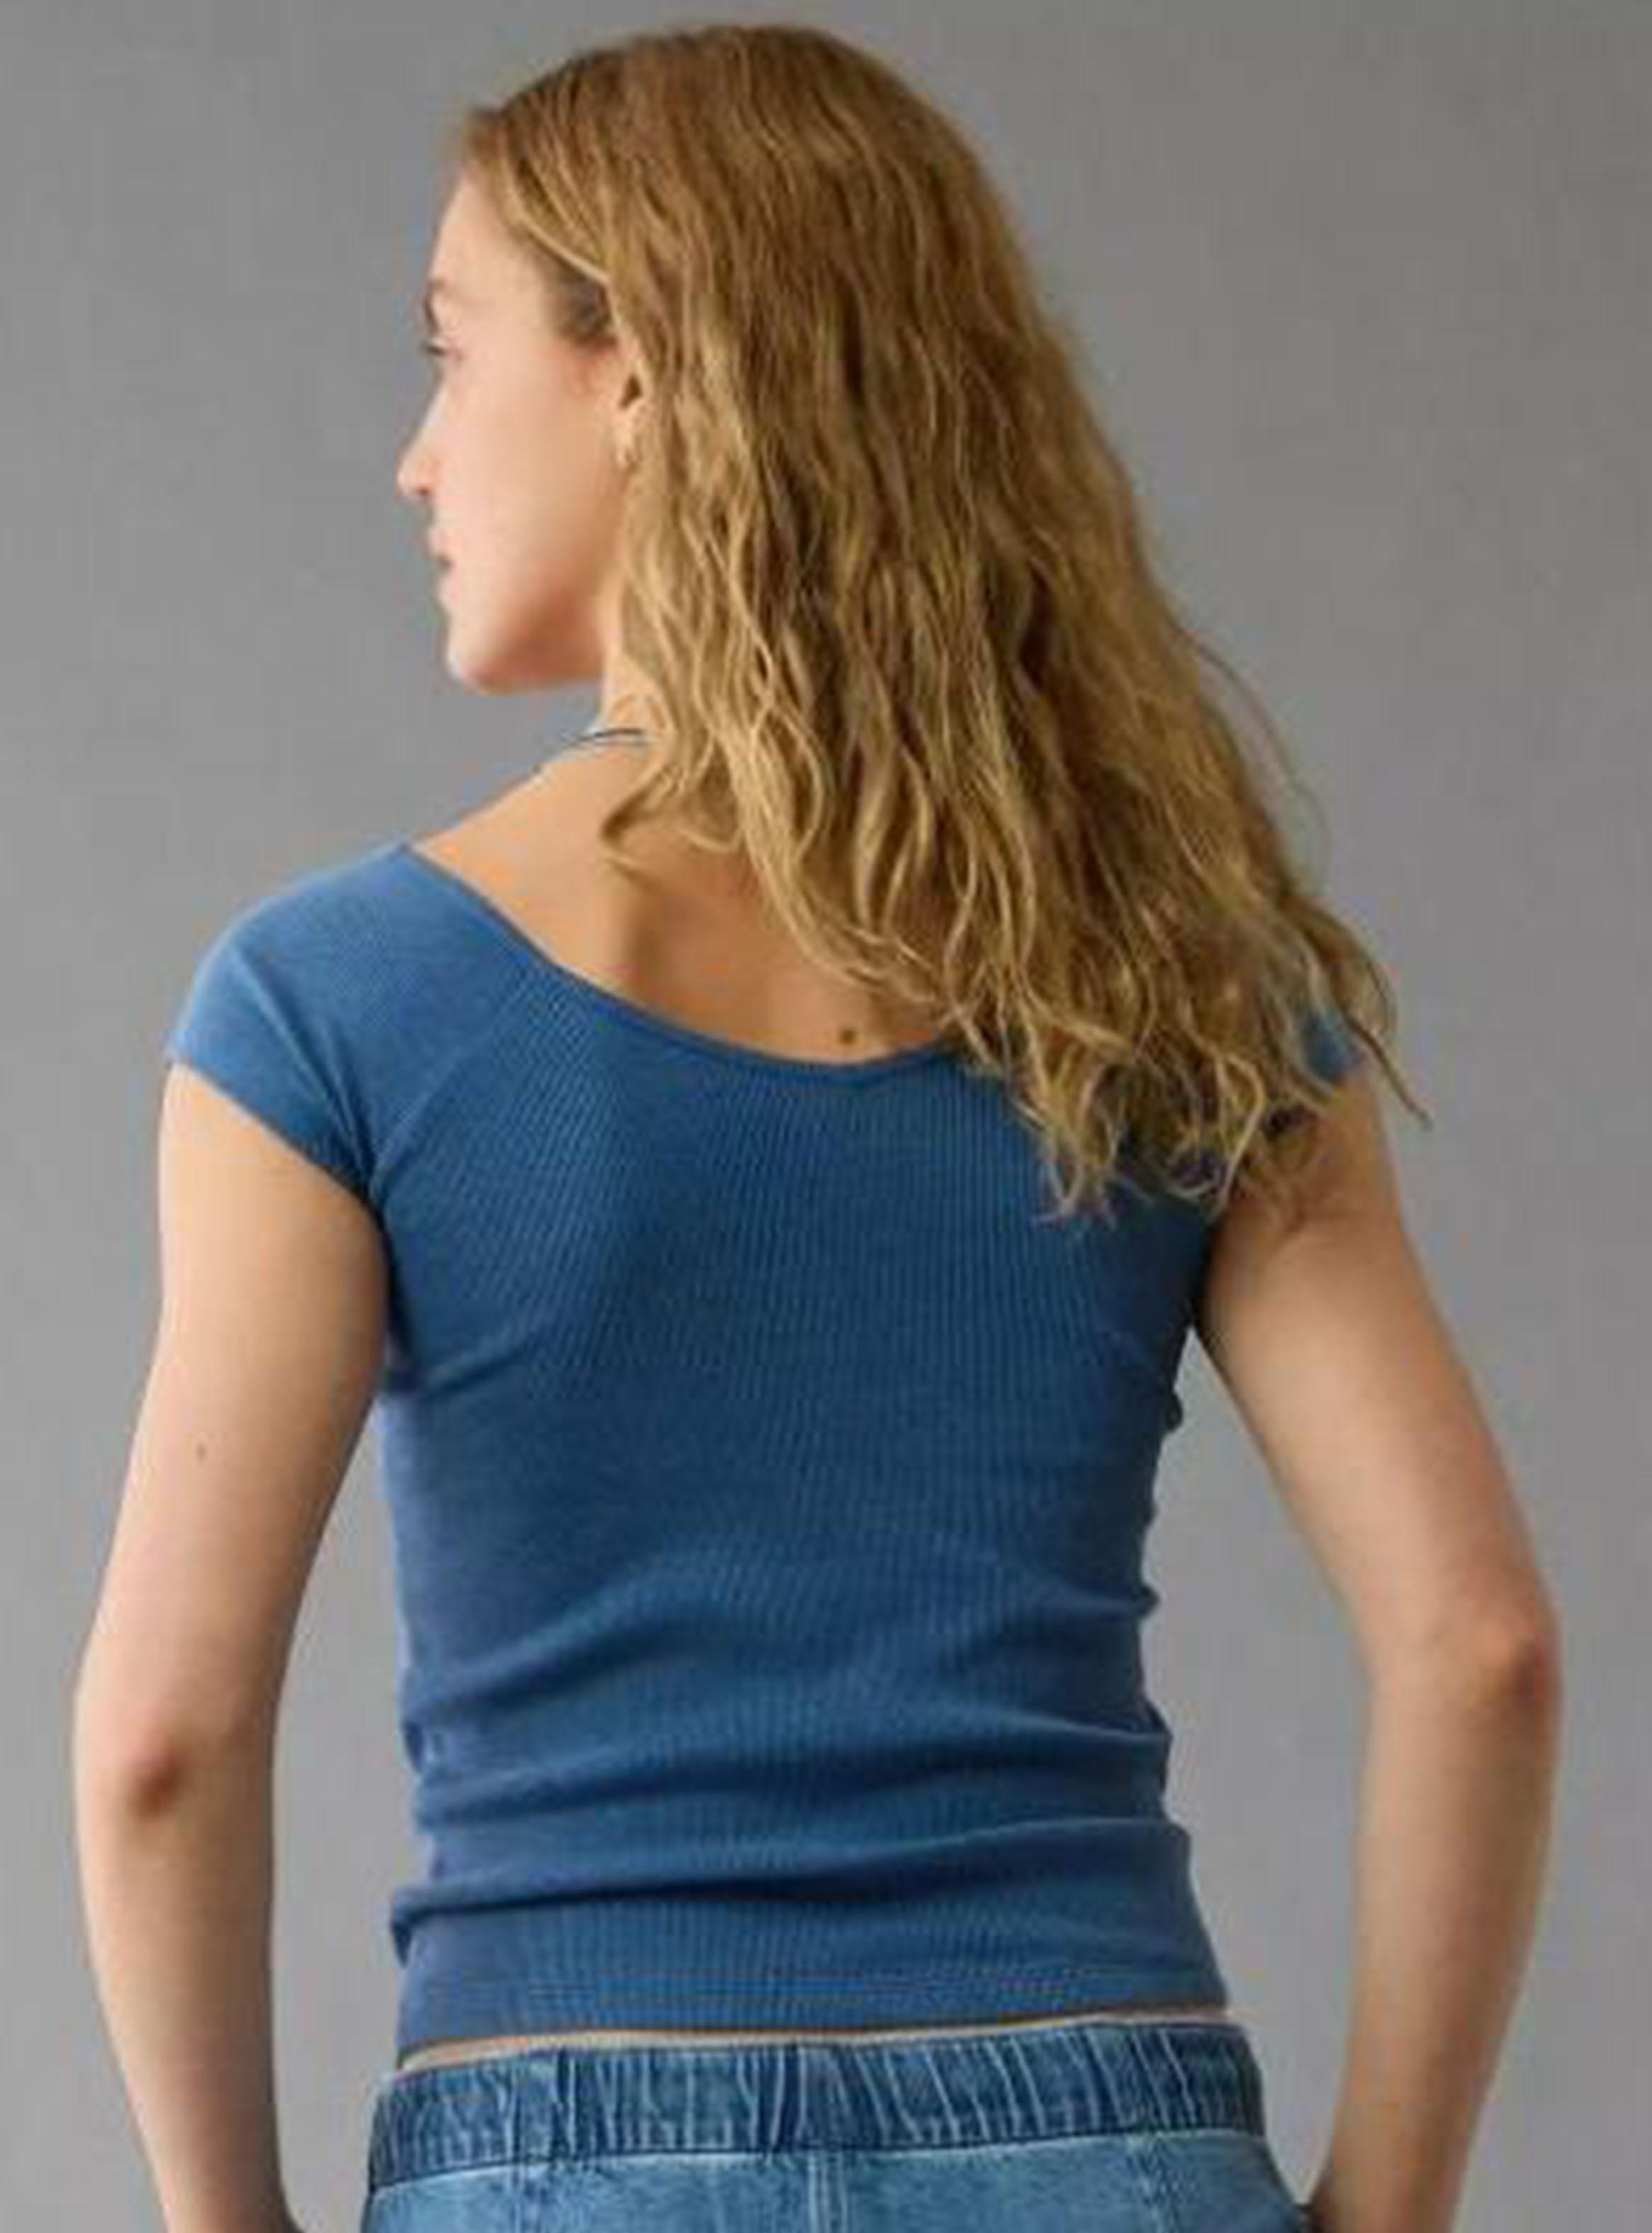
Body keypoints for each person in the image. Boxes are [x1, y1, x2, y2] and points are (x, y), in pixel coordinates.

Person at [73, 23, 1562, 2233]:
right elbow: (1479, 1648)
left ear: (640, 375)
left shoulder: (331, 1007)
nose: (412, 458)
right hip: (1106, 2135)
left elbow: (162, 1744)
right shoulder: (1173, 995)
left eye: (451, 354)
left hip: (570, 2151)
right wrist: (1388, 2214)